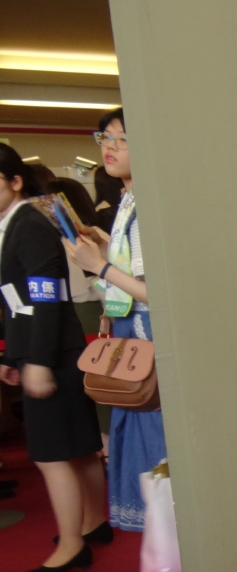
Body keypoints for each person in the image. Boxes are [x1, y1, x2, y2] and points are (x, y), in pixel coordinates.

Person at [0, 145, 108, 572]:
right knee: (77, 446)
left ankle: (71, 543)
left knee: (50, 454)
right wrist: (14, 354)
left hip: (51, 350)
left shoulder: (28, 223)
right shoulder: (16, 223)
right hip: (43, 346)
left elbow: (46, 297)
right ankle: (94, 522)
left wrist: (38, 361)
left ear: (15, 181)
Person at [65, 108, 166, 531]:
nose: (110, 147)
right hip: (133, 336)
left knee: (157, 447)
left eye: (121, 138)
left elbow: (157, 294)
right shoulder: (130, 199)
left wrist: (100, 267)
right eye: (104, 138)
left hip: (145, 339)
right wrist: (104, 248)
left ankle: (176, 549)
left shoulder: (146, 206)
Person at [49, 177, 110, 454]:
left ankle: (105, 444)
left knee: (96, 380)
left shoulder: (83, 237)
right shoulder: (94, 233)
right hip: (93, 309)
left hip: (88, 311)